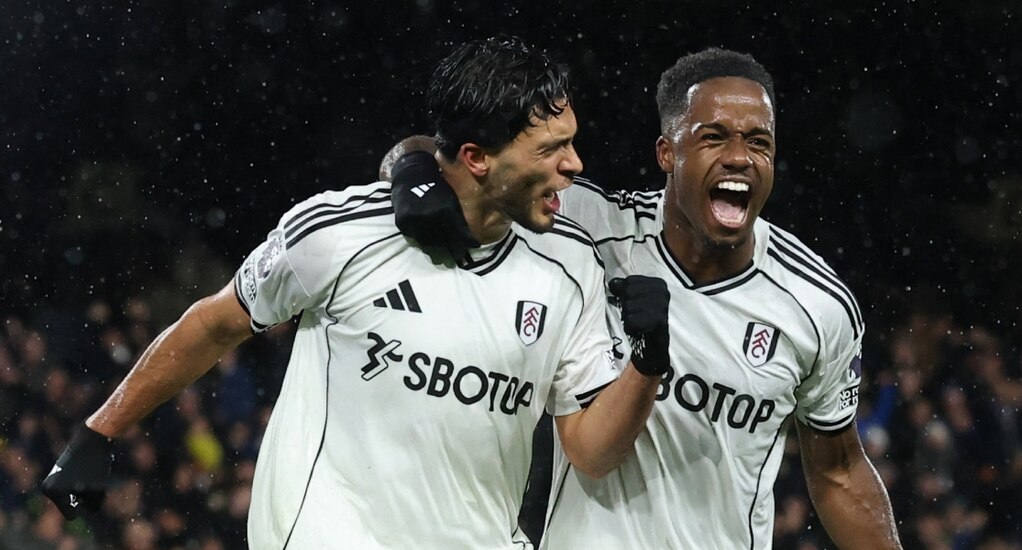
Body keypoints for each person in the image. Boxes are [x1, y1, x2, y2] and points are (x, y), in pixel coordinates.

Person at [40, 36, 673, 549]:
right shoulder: (339, 234)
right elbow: (215, 325)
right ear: (478, 158)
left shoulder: (568, 266)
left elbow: (590, 453)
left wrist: (645, 363)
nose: (575, 164)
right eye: (553, 148)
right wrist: (99, 433)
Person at [387, 48, 902, 548]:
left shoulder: (816, 304)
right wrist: (412, 172)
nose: (739, 158)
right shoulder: (588, 229)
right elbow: (458, 152)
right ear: (667, 153)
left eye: (759, 143)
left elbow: (838, 471)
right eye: (714, 137)